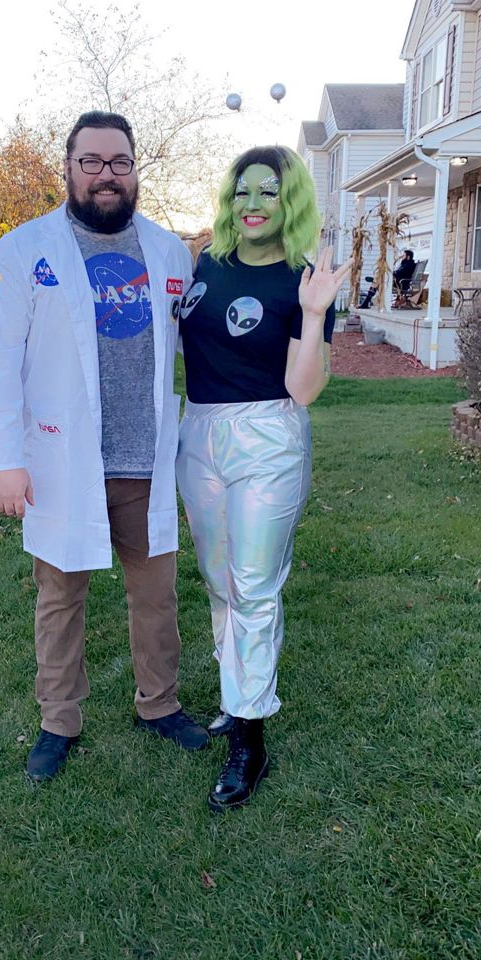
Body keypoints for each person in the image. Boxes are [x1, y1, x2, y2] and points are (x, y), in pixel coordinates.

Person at [0, 110, 209, 782]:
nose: (107, 175)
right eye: (92, 161)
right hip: (59, 461)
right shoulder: (24, 250)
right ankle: (58, 720)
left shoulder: (167, 251)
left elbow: (196, 347)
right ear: (70, 167)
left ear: (135, 170)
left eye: (120, 162)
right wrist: (3, 461)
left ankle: (158, 705)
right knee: (59, 597)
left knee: (157, 596)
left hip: (146, 460)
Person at [176, 146, 352, 811]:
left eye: (268, 193)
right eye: (243, 191)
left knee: (253, 587)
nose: (252, 205)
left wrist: (312, 314)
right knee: (218, 580)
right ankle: (233, 694)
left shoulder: (304, 280)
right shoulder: (205, 265)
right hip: (201, 432)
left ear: (290, 202)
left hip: (268, 439)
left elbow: (304, 390)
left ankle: (249, 736)